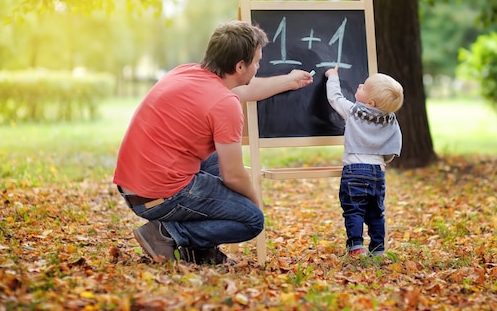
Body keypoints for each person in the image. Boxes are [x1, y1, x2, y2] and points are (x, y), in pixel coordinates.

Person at [113, 20, 313, 265]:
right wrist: (255, 202)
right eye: (257, 62)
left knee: (216, 161)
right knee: (251, 220)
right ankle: (167, 234)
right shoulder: (224, 104)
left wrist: (289, 81)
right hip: (156, 197)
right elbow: (234, 176)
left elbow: (243, 91)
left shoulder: (187, 72)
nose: (259, 66)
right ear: (240, 66)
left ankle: (199, 251)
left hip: (134, 187)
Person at [324, 66, 403, 257]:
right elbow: (392, 148)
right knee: (376, 213)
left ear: (371, 102)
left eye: (363, 88)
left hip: (355, 171)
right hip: (378, 171)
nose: (359, 85)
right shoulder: (390, 119)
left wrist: (332, 77)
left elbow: (335, 98)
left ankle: (356, 247)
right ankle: (378, 248)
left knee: (354, 210)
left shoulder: (354, 111)